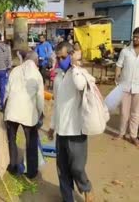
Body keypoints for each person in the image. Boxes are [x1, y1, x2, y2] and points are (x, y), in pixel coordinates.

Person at [48, 41, 94, 202]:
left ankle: (86, 187)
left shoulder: (79, 73)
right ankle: (68, 198)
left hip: (76, 130)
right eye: (58, 58)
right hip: (61, 130)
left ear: (71, 55)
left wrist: (74, 66)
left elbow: (81, 86)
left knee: (77, 167)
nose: (60, 61)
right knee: (62, 169)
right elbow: (57, 104)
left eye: (63, 57)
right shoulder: (58, 77)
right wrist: (52, 126)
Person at [4, 51, 44, 179]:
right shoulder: (37, 74)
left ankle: (13, 166)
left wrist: (5, 109)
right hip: (28, 113)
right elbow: (40, 98)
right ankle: (31, 171)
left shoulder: (15, 71)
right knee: (31, 142)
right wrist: (40, 113)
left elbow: (6, 91)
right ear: (36, 61)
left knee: (12, 140)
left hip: (12, 111)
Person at [114, 27, 139, 148]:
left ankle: (133, 136)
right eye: (134, 36)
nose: (135, 39)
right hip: (125, 86)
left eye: (138, 37)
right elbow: (118, 65)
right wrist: (117, 75)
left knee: (136, 113)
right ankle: (121, 133)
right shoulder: (125, 51)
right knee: (123, 112)